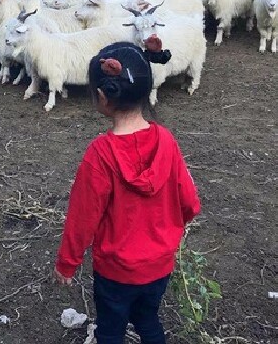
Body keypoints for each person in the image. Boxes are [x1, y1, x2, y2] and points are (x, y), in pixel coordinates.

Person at [53, 37, 201, 344]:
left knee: (110, 330)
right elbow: (189, 202)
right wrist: (169, 232)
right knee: (148, 320)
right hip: (159, 265)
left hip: (116, 271)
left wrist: (68, 262)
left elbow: (82, 218)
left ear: (102, 97)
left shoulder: (100, 155)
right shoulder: (166, 141)